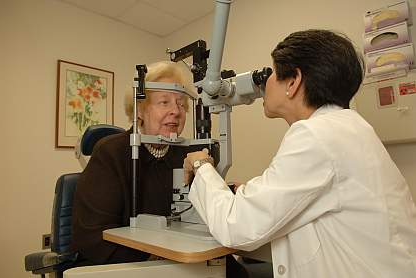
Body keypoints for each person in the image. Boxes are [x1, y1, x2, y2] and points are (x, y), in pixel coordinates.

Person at [183, 29, 416, 278]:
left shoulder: (316, 135)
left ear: (293, 82)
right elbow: (310, 195)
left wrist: (201, 166)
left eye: (271, 72)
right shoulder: (345, 128)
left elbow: (237, 226)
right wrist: (248, 193)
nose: (265, 83)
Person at [70, 61, 248, 277]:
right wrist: (158, 258)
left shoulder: (185, 154)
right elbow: (93, 237)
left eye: (181, 104)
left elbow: (199, 213)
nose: (176, 111)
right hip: (132, 262)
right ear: (140, 111)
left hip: (182, 254)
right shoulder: (111, 152)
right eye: (164, 102)